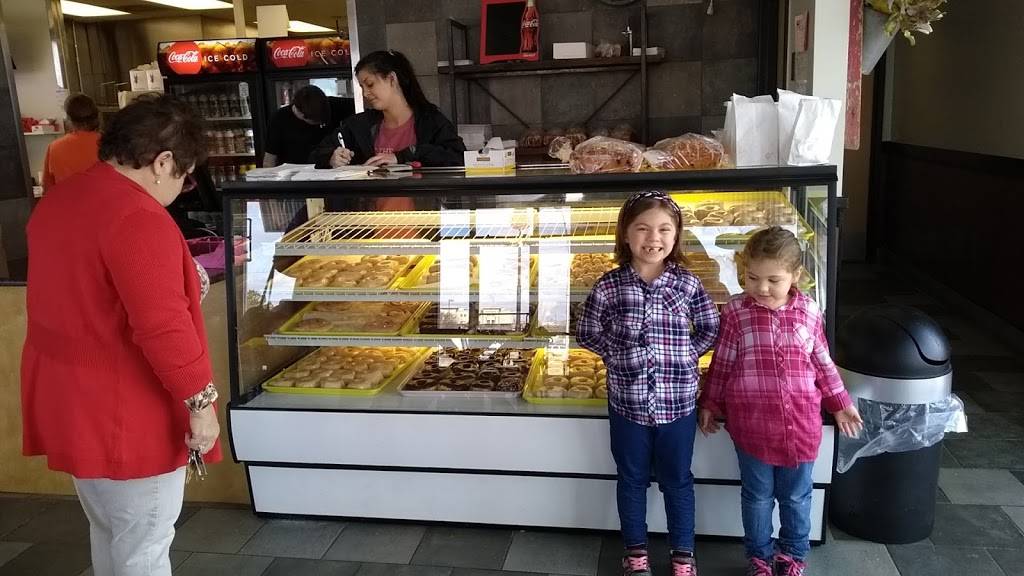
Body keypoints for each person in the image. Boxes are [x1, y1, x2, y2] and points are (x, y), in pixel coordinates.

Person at [22, 94, 221, 576]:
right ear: (163, 162)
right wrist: (201, 404)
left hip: (72, 400)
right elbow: (163, 327)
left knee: (110, 532)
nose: (182, 188)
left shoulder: (63, 198)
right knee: (144, 546)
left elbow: (85, 291)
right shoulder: (138, 216)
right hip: (126, 409)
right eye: (185, 176)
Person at [698, 226, 864, 576]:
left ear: (795, 276)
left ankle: (793, 556)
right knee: (757, 496)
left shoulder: (810, 311)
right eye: (752, 278)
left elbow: (822, 361)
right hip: (752, 427)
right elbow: (723, 362)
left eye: (773, 280)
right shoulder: (736, 311)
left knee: (796, 497)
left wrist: (839, 402)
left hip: (801, 426)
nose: (761, 288)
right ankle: (759, 558)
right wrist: (710, 402)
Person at [577, 190, 720, 576]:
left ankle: (683, 554)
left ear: (676, 236)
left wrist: (687, 355)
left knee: (678, 480)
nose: (653, 238)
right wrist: (617, 354)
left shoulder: (687, 284)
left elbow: (710, 326)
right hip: (628, 404)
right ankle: (635, 552)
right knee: (631, 479)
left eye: (664, 229)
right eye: (642, 228)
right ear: (625, 234)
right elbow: (587, 331)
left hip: (678, 405)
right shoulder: (609, 286)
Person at [312, 49, 465, 170]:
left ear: (392, 79)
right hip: (371, 201)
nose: (365, 93)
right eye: (362, 87)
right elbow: (316, 153)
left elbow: (458, 157)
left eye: (370, 84)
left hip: (421, 201)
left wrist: (403, 156)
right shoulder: (359, 125)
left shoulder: (431, 121)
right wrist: (331, 158)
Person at [263, 85, 355, 167]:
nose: (322, 123)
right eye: (318, 122)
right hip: (297, 174)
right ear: (302, 115)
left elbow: (361, 104)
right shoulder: (279, 119)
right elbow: (269, 160)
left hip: (334, 170)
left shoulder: (332, 104)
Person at [42, 93, 101, 191]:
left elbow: (47, 188)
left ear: (68, 118)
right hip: (105, 199)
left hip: (67, 199)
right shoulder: (109, 144)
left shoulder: (55, 147)